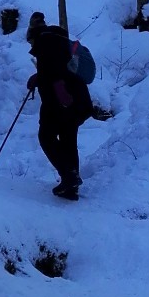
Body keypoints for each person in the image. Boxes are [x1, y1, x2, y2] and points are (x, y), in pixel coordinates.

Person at [25, 10, 91, 200]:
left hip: (61, 102)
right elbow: (59, 70)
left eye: (30, 42)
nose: (30, 46)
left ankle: (69, 177)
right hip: (78, 99)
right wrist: (39, 77)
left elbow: (54, 74)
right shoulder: (60, 41)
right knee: (68, 140)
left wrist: (40, 79)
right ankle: (71, 187)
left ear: (33, 36)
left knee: (46, 136)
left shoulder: (46, 44)